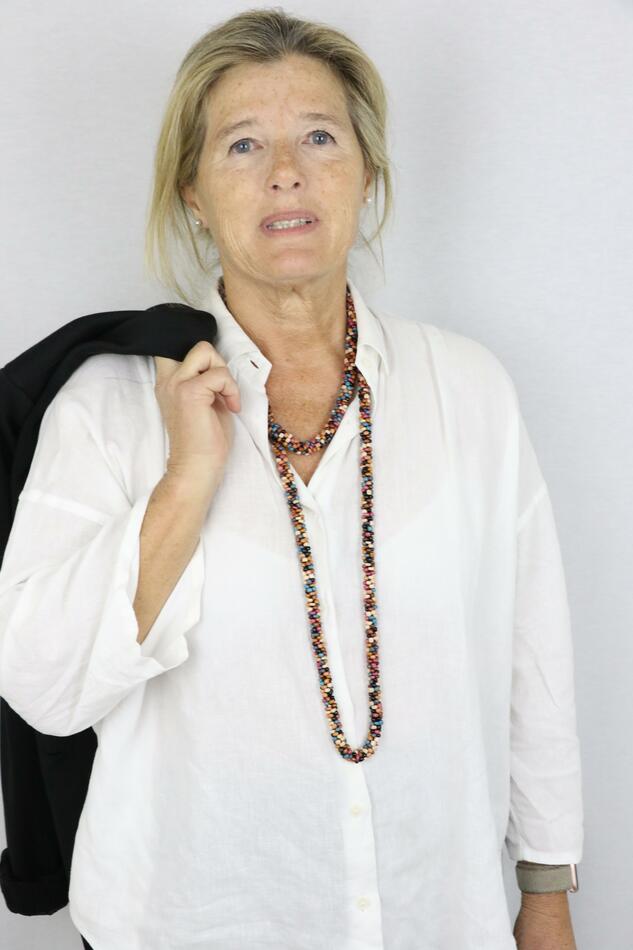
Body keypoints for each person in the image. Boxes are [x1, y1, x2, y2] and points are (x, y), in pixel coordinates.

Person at [0, 8, 583, 949]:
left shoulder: (468, 387)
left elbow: (533, 659)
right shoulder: (106, 406)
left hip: (439, 917)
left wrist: (546, 892)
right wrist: (185, 481)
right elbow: (43, 687)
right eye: (242, 144)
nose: (285, 171)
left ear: (366, 173)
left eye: (319, 136)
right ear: (193, 192)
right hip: (191, 925)